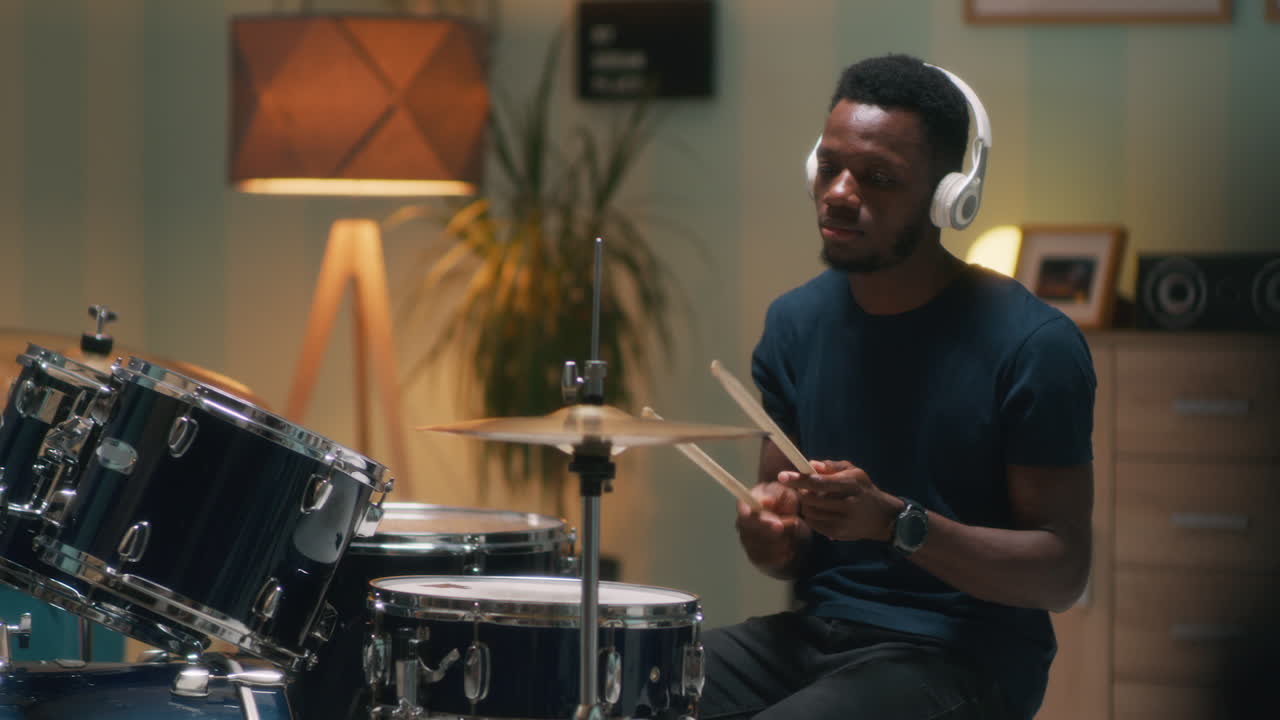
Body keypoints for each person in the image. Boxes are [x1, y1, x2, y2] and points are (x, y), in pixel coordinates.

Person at [698, 54, 1096, 720]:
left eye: (878, 178)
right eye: (829, 167)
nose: (839, 193)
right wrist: (773, 534)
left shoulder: (1033, 345)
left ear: (948, 198)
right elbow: (791, 545)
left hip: (965, 657)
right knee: (627, 681)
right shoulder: (795, 324)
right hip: (817, 636)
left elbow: (1062, 572)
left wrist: (894, 523)